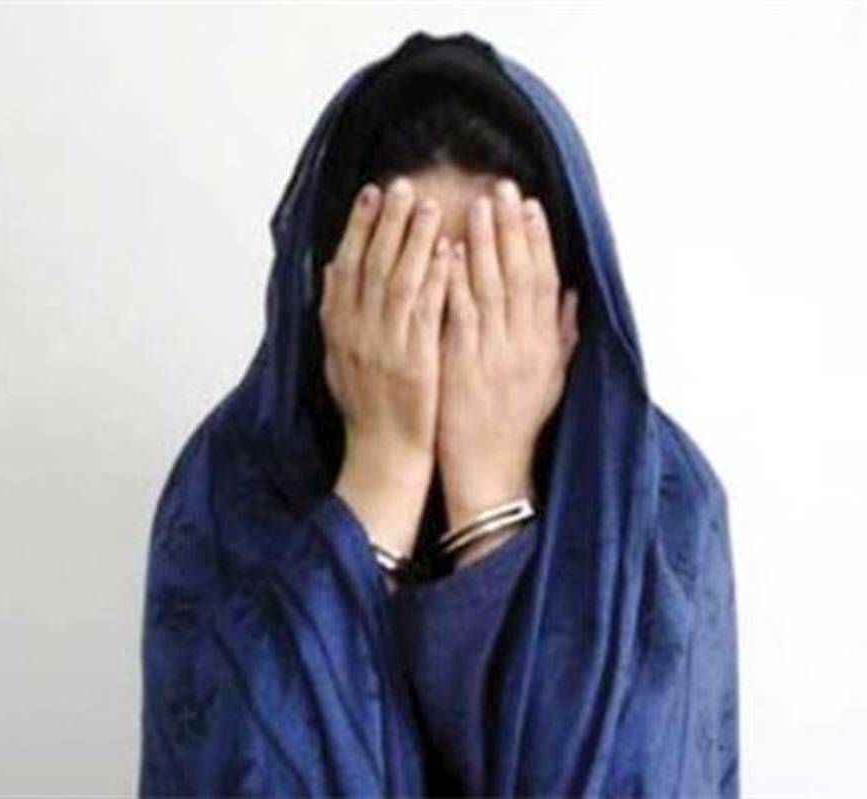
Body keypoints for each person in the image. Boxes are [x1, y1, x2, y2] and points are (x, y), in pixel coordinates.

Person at [139, 30, 740, 797]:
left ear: (567, 308)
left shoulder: (664, 510)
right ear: (331, 297)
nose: (441, 347)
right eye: (405, 292)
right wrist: (380, 475)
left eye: (492, 293)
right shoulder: (225, 490)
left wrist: (492, 502)